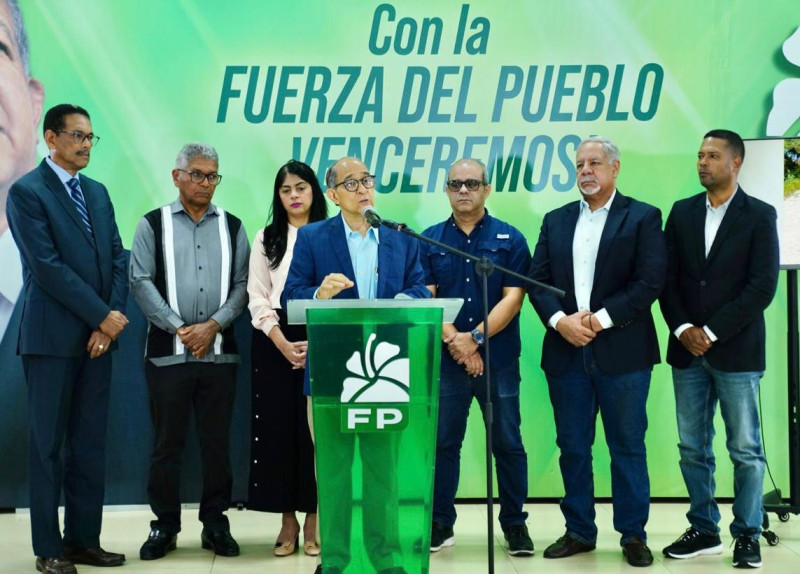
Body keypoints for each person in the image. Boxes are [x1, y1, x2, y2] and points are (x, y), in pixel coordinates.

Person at [282, 156, 430, 574]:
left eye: (367, 180)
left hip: (387, 370)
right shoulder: (313, 237)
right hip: (332, 370)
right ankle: (335, 559)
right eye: (351, 183)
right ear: (332, 194)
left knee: (383, 471)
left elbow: (420, 288)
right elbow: (291, 295)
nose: (363, 188)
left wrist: (404, 301)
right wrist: (320, 294)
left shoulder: (399, 236)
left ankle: (385, 558)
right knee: (334, 472)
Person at [528, 136, 666, 567]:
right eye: (579, 165)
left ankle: (633, 535)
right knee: (572, 446)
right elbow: (537, 281)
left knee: (627, 446)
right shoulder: (556, 220)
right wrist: (561, 322)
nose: (585, 171)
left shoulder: (643, 216)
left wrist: (598, 320)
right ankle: (579, 531)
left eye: (594, 163)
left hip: (623, 352)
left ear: (615, 168)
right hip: (566, 351)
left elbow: (649, 282)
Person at [7, 103, 128, 574]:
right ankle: (49, 548)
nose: (85, 144)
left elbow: (116, 258)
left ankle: (83, 541)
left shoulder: (97, 191)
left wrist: (108, 322)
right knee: (48, 449)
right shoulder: (27, 192)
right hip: (51, 339)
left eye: (90, 137)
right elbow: (47, 267)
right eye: (77, 135)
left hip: (98, 340)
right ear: (51, 137)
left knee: (89, 444)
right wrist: (102, 316)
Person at [659, 129, 779, 569]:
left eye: (712, 156)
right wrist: (684, 328)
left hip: (736, 351)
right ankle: (704, 529)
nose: (702, 163)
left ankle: (747, 533)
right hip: (686, 351)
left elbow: (762, 287)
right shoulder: (682, 212)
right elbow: (666, 278)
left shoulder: (760, 215)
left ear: (736, 162)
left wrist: (710, 331)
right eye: (700, 155)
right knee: (693, 447)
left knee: (745, 449)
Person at [129, 143, 249, 561]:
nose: (205, 183)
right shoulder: (152, 224)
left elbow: (242, 286)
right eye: (196, 174)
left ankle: (215, 524)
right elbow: (140, 281)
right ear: (176, 176)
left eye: (212, 175)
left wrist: (212, 326)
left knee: (217, 444)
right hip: (167, 355)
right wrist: (181, 329)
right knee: (167, 445)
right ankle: (164, 526)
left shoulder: (233, 226)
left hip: (220, 355)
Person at [419, 158, 533, 556]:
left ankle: (515, 524)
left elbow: (513, 299)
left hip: (498, 361)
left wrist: (477, 339)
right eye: (455, 184)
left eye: (471, 183)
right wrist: (459, 343)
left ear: (487, 189)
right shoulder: (430, 240)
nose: (463, 190)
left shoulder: (510, 238)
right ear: (446, 190)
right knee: (443, 444)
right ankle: (440, 523)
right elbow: (427, 299)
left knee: (508, 443)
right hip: (447, 362)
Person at [247, 160, 327, 556]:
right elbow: (257, 295)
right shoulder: (267, 238)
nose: (294, 196)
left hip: (322, 335)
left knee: (316, 434)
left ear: (315, 191)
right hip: (274, 337)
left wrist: (316, 338)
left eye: (301, 187)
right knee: (279, 432)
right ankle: (287, 520)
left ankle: (314, 516)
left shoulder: (330, 234)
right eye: (285, 190)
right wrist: (281, 342)